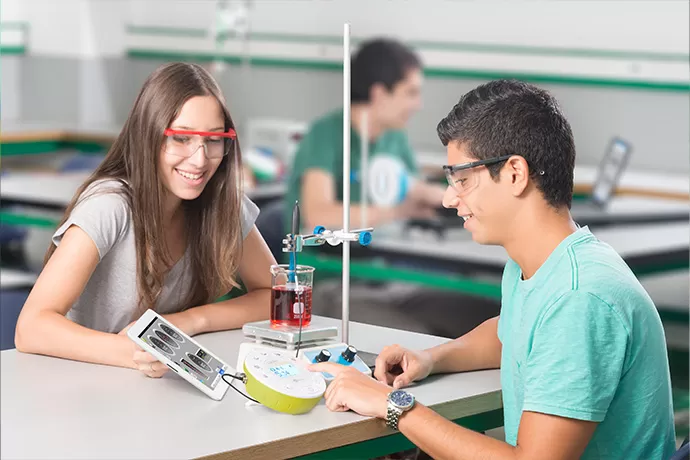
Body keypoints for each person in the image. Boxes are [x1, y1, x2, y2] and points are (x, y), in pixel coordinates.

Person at [310, 79, 676, 459]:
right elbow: (511, 335)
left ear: (515, 173)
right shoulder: (539, 263)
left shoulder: (579, 298)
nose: (450, 198)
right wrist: (433, 357)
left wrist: (393, 405)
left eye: (463, 180)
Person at [15, 62, 275, 378]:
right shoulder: (109, 206)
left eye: (213, 139)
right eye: (181, 138)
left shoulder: (221, 203)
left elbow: (277, 296)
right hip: (76, 382)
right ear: (148, 135)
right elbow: (31, 327)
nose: (200, 158)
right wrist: (134, 352)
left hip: (151, 385)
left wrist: (189, 321)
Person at [285, 38, 445, 233]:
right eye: (410, 93)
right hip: (324, 259)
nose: (418, 105)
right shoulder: (324, 135)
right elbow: (318, 215)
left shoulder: (395, 136)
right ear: (379, 93)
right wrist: (397, 212)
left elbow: (415, 191)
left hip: (379, 252)